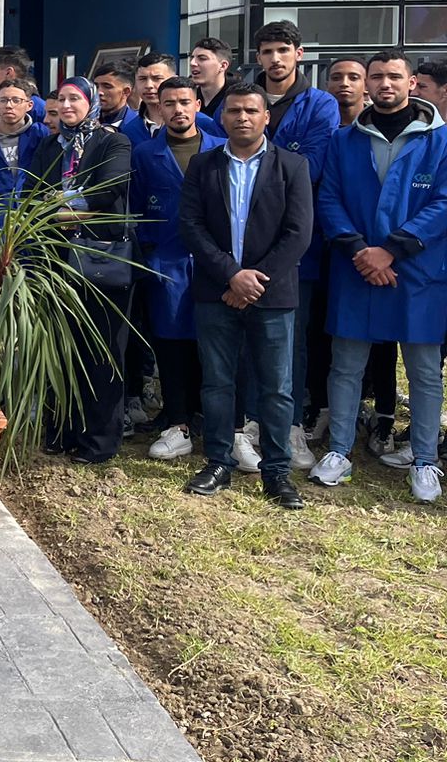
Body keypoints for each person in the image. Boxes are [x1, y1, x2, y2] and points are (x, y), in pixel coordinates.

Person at [312, 50, 446, 502]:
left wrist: (391, 250)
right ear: (366, 84)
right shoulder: (344, 139)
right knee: (346, 365)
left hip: (418, 270)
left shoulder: (440, 140)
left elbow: (443, 203)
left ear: (411, 83)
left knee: (425, 371)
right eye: (377, 76)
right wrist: (360, 251)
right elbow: (328, 198)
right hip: (356, 267)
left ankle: (425, 460)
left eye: (394, 76)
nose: (385, 83)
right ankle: (339, 452)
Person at [177, 82, 313, 509]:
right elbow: (191, 227)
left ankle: (276, 471)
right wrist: (232, 276)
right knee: (218, 383)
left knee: (276, 387)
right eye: (234, 111)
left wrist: (254, 281)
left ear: (266, 116)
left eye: (251, 111)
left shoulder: (292, 165)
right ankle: (218, 461)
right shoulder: (203, 165)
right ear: (223, 117)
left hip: (271, 296)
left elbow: (298, 234)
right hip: (216, 291)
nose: (241, 117)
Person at [26, 78, 133, 464]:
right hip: (56, 258)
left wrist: (64, 206)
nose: (68, 105)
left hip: (100, 258)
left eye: (77, 98)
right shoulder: (50, 144)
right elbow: (32, 192)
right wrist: (60, 206)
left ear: (92, 103)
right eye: (62, 99)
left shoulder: (112, 141)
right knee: (60, 346)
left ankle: (98, 442)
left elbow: (112, 187)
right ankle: (61, 431)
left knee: (101, 351)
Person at [253, 20, 340, 455]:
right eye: (267, 51)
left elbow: (312, 167)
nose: (275, 59)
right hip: (241, 240)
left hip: (294, 240)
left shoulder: (319, 103)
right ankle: (249, 423)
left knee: (291, 339)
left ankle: (287, 426)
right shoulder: (241, 99)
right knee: (242, 338)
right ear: (258, 58)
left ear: (299, 54)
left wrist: (257, 168)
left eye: (283, 50)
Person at [131, 78, 227, 462]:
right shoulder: (145, 153)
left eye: (185, 102)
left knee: (215, 344)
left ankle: (218, 422)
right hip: (166, 261)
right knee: (170, 343)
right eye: (168, 103)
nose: (177, 110)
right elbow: (136, 209)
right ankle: (177, 421)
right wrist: (149, 251)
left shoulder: (221, 149)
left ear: (199, 104)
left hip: (214, 262)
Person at [0, 75, 52, 241]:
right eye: (4, 100)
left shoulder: (39, 135)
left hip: (31, 226)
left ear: (29, 105)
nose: (9, 105)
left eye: (16, 100)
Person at [129, 52, 221, 142]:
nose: (149, 85)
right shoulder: (129, 129)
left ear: (174, 79)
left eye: (157, 78)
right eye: (142, 79)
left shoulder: (205, 124)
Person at [91, 60, 141, 135]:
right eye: (96, 86)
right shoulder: (85, 125)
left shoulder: (139, 126)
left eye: (107, 86)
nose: (99, 92)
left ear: (126, 91)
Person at [188, 38, 234, 120]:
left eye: (202, 58)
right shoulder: (188, 97)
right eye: (192, 58)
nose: (192, 63)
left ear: (223, 66)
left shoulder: (238, 98)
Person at [326, 56, 368, 128]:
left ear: (367, 85)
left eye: (353, 78)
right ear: (327, 85)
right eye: (336, 78)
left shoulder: (380, 122)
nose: (344, 83)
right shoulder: (314, 122)